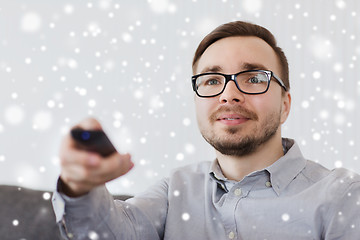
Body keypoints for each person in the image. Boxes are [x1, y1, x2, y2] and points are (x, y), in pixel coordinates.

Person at [52, 21, 360, 240]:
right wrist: (80, 189)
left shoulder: (343, 196)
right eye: (212, 81)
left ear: (285, 105)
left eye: (253, 78)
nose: (229, 95)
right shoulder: (175, 190)